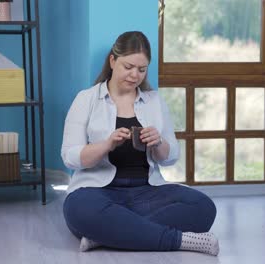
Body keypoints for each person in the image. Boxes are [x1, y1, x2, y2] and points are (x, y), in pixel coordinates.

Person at [61, 31, 219, 256]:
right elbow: (70, 156)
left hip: (147, 192)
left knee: (203, 207)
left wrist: (158, 143)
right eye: (128, 67)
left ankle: (106, 235)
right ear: (113, 61)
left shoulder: (154, 101)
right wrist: (106, 145)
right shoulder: (86, 99)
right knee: (79, 211)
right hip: (97, 191)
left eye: (142, 70)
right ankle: (179, 240)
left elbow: (171, 156)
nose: (135, 75)